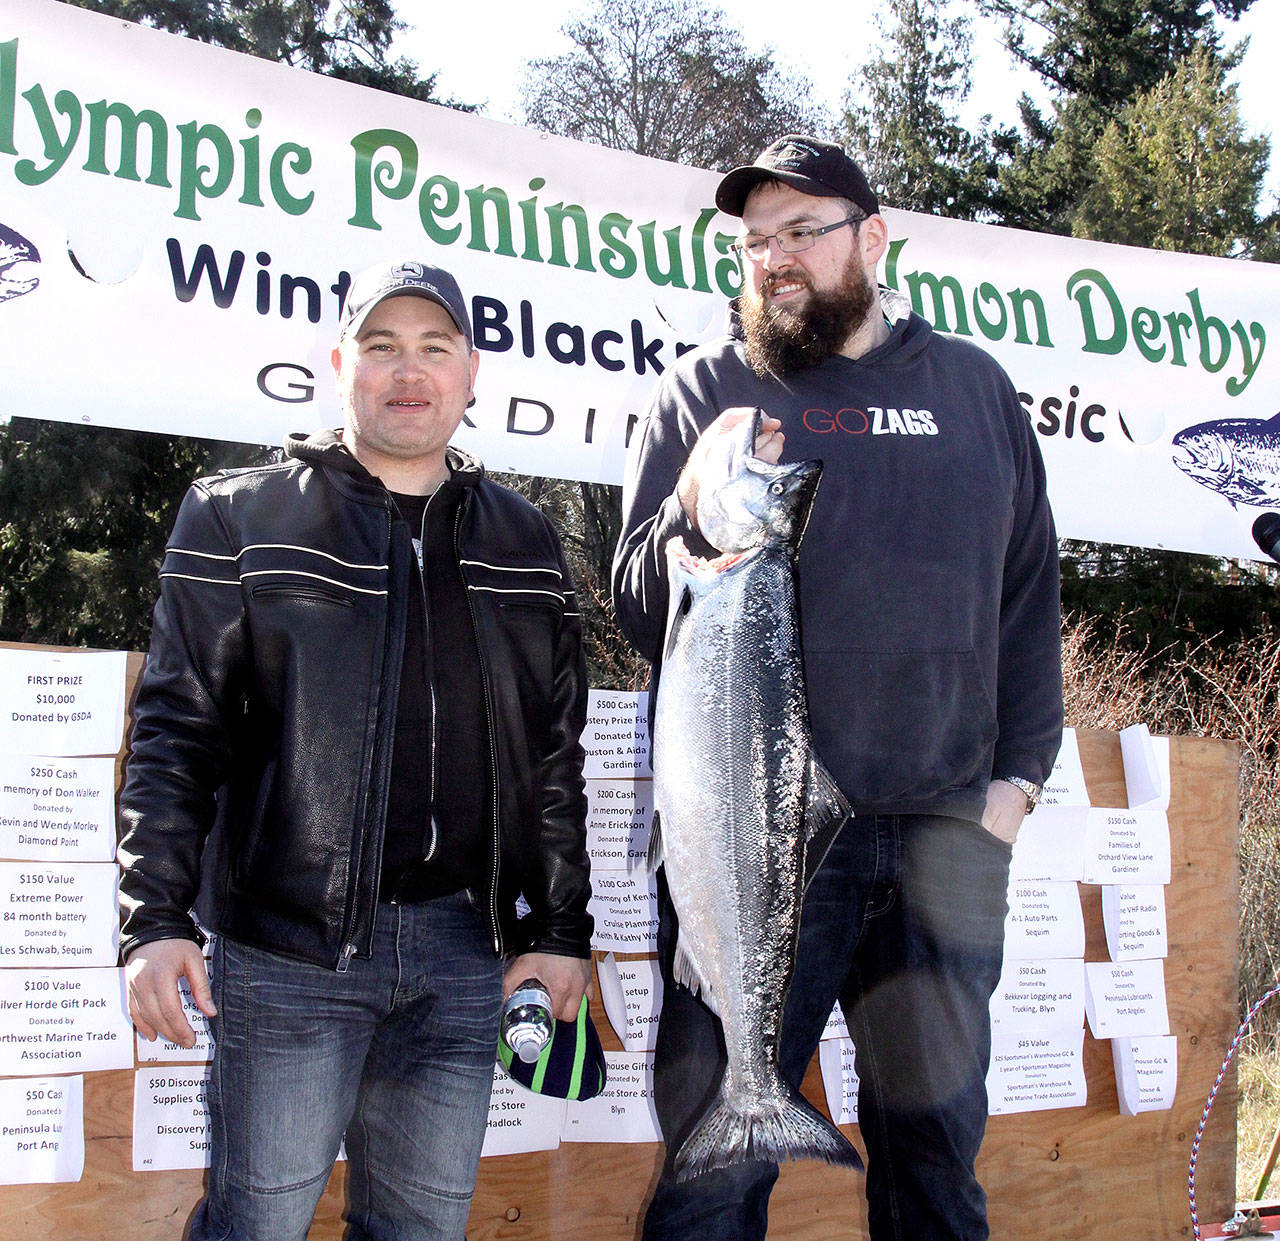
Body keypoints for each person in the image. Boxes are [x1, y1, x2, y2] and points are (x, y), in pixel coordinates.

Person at [612, 136, 1063, 1241]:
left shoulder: (972, 390)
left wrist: (1012, 790)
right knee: (710, 1174)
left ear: (870, 237)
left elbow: (1025, 604)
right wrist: (685, 503)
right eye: (753, 241)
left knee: (934, 1157)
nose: (772, 258)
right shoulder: (703, 391)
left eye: (798, 232)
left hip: (941, 841)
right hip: (750, 845)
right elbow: (633, 607)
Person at [118, 259, 594, 1241]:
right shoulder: (236, 514)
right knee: (258, 1221)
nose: (407, 371)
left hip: (468, 952)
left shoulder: (525, 539)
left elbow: (550, 756)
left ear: (471, 373)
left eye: (433, 347)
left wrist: (556, 927)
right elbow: (176, 731)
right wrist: (152, 916)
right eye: (381, 347)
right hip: (288, 952)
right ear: (339, 366)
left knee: (418, 1229)